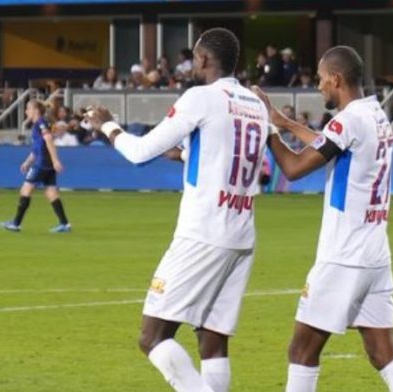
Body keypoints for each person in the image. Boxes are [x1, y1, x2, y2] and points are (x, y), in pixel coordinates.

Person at [86, 27, 268, 392]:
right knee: (212, 338)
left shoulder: (200, 97)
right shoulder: (254, 103)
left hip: (203, 233)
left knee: (151, 337)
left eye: (195, 57)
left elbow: (138, 153)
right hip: (241, 233)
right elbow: (222, 155)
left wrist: (106, 124)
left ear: (202, 59)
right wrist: (185, 156)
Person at [252, 45, 393, 392]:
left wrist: (269, 130)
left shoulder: (347, 120)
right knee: (382, 351)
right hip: (374, 255)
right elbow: (331, 145)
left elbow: (295, 168)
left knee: (301, 350)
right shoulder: (374, 114)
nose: (319, 87)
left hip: (343, 256)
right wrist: (285, 123)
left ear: (336, 79)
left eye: (322, 81)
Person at [0, 99, 71, 233]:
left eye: (28, 108)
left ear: (36, 110)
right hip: (46, 164)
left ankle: (16, 224)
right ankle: (64, 224)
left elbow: (48, 139)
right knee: (51, 193)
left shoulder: (41, 124)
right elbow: (37, 148)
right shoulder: (38, 125)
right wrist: (28, 161)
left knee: (25, 190)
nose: (27, 111)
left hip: (42, 164)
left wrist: (56, 160)